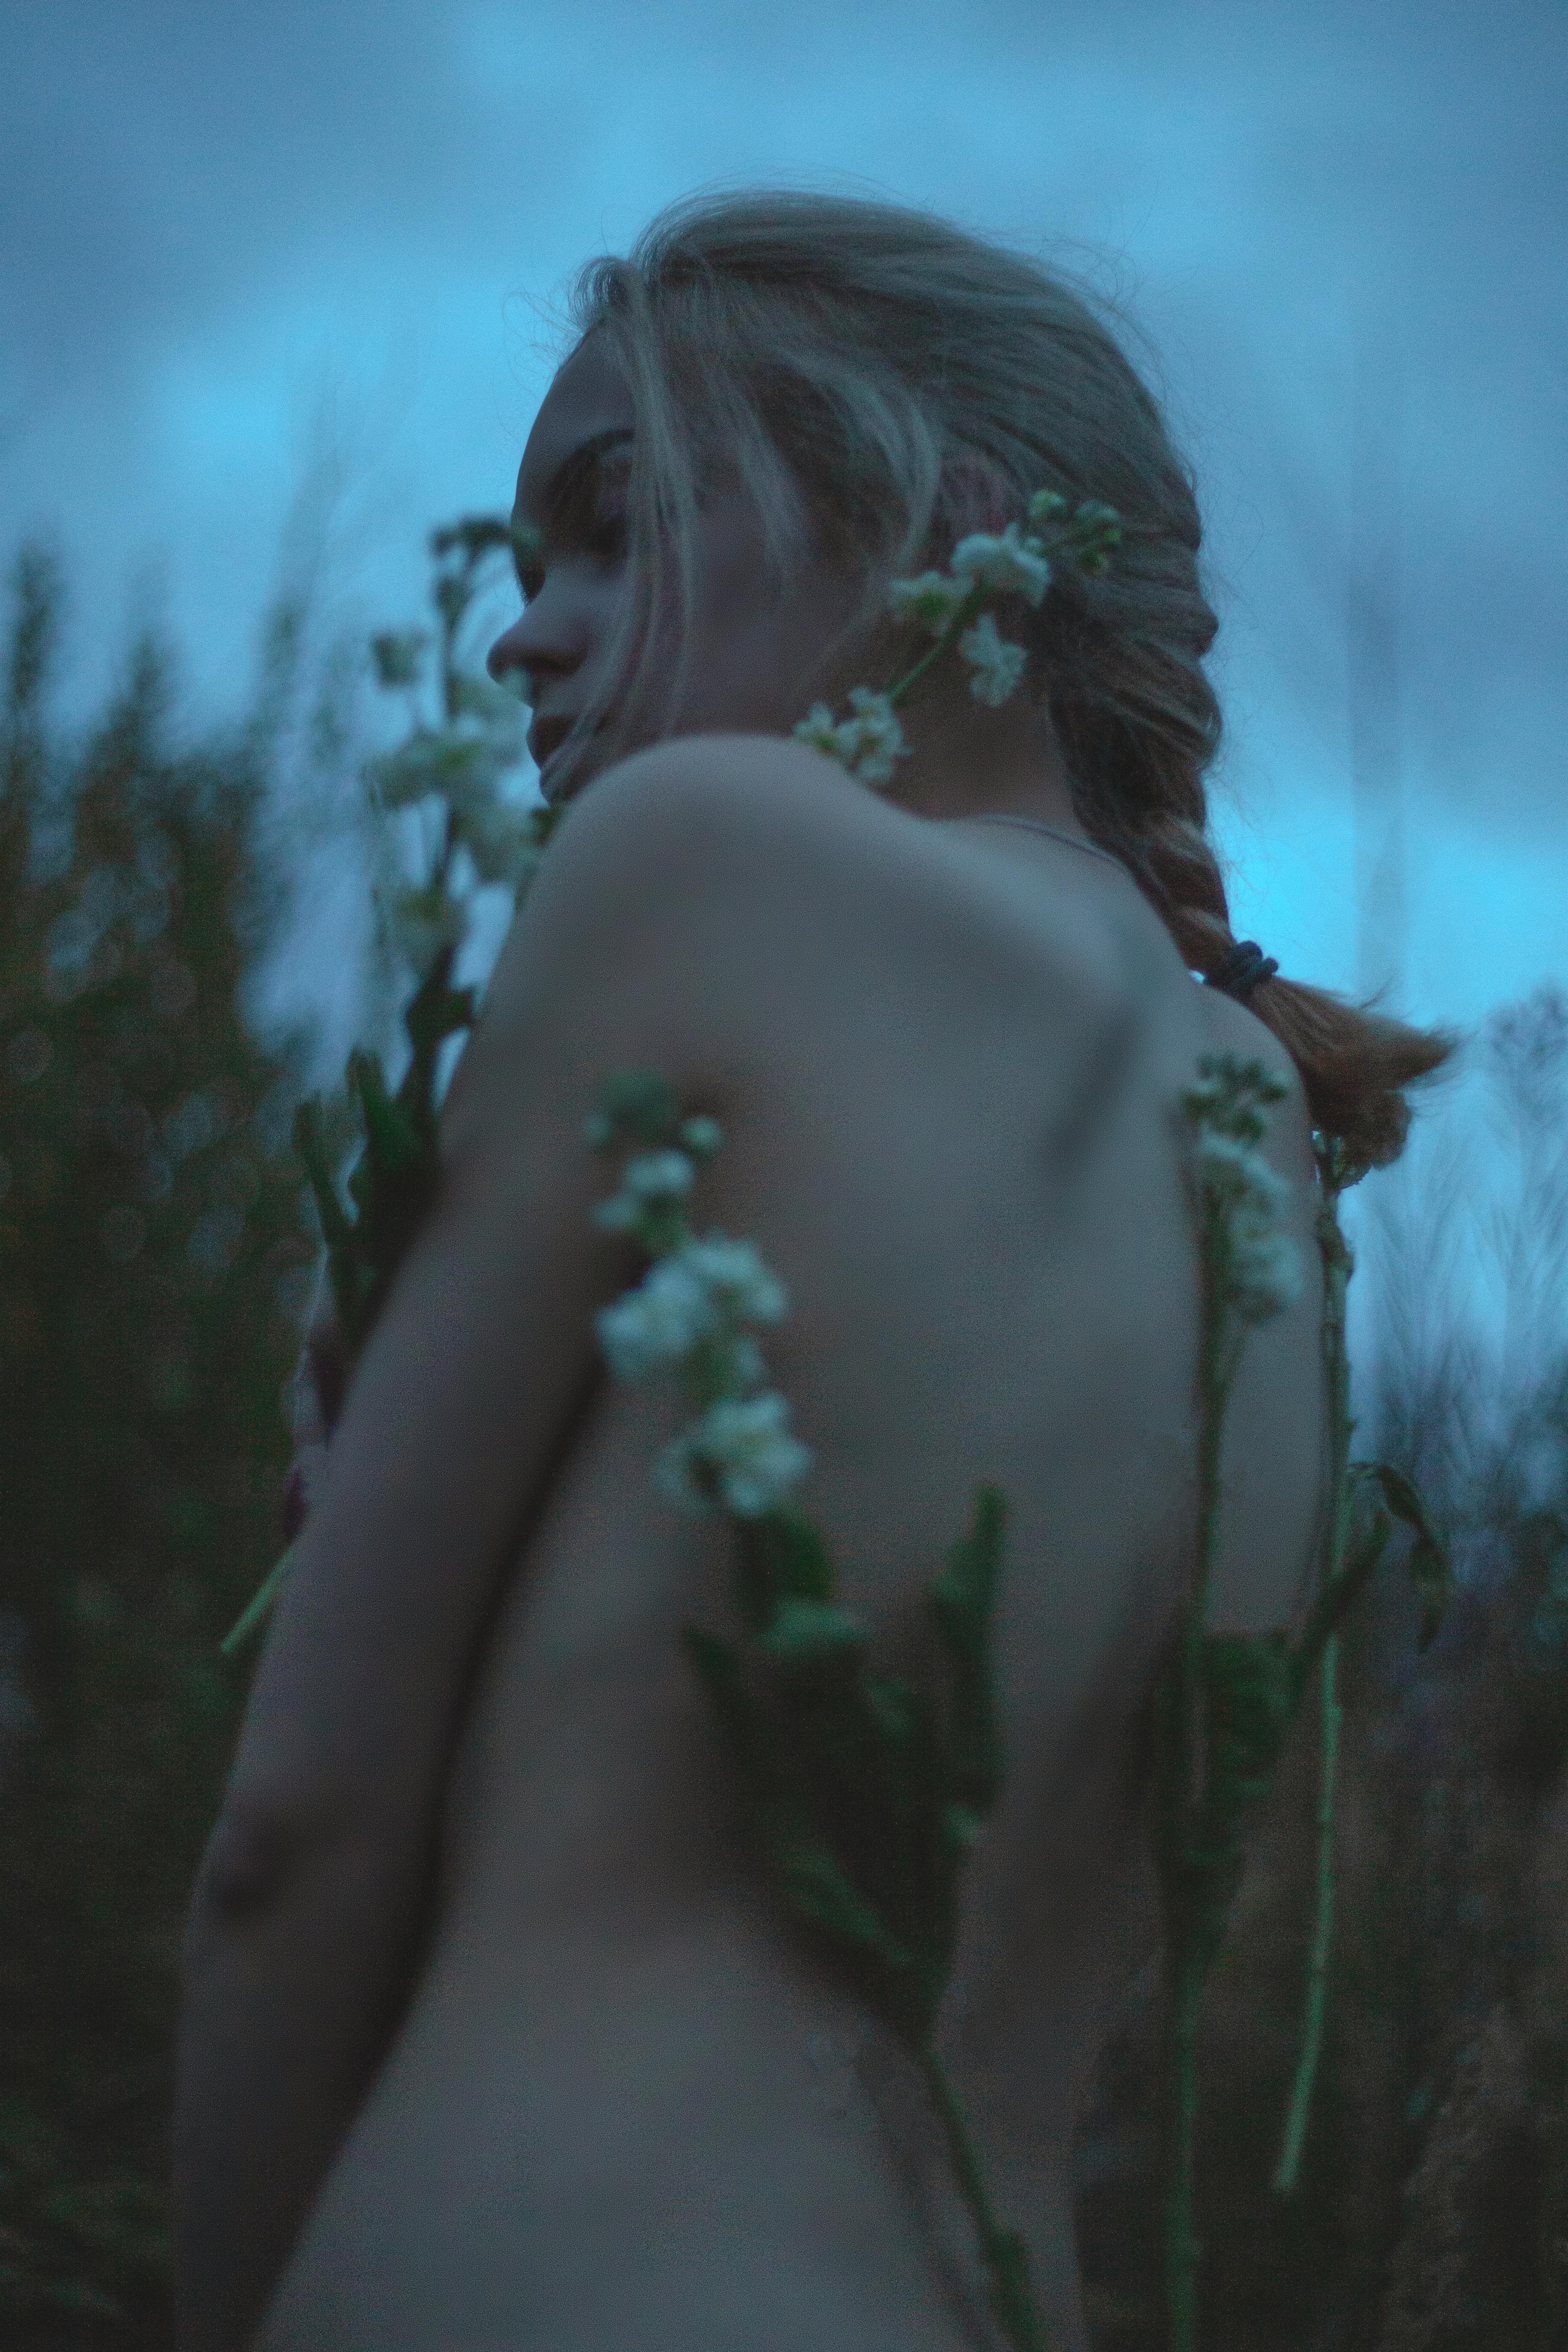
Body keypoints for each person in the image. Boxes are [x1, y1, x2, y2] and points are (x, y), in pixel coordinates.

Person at [173, 191, 1452, 2352]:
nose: (525, 638)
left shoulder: (706, 866)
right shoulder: (1269, 1148)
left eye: (612, 524)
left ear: (944, 527)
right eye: (520, 570)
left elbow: (298, 1834)